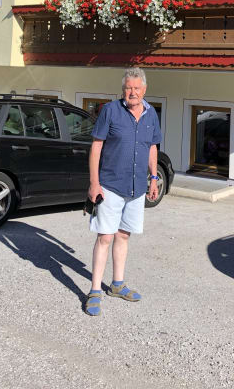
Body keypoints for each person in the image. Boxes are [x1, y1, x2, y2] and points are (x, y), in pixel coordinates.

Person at [84, 67, 161, 316]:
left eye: (137, 88)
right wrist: (94, 183)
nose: (132, 92)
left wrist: (153, 178)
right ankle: (95, 290)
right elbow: (96, 147)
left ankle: (117, 284)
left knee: (123, 236)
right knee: (105, 237)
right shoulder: (110, 111)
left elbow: (152, 147)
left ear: (144, 90)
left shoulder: (151, 114)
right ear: (123, 90)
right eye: (128, 88)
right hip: (110, 185)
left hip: (137, 187)